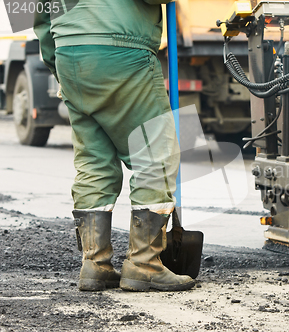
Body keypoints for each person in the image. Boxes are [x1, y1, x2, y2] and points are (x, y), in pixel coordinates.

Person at [34, 0, 195, 292]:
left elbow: (41, 18)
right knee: (155, 154)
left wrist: (58, 65)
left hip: (69, 54)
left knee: (94, 162)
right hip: (122, 50)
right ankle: (144, 264)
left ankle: (94, 265)